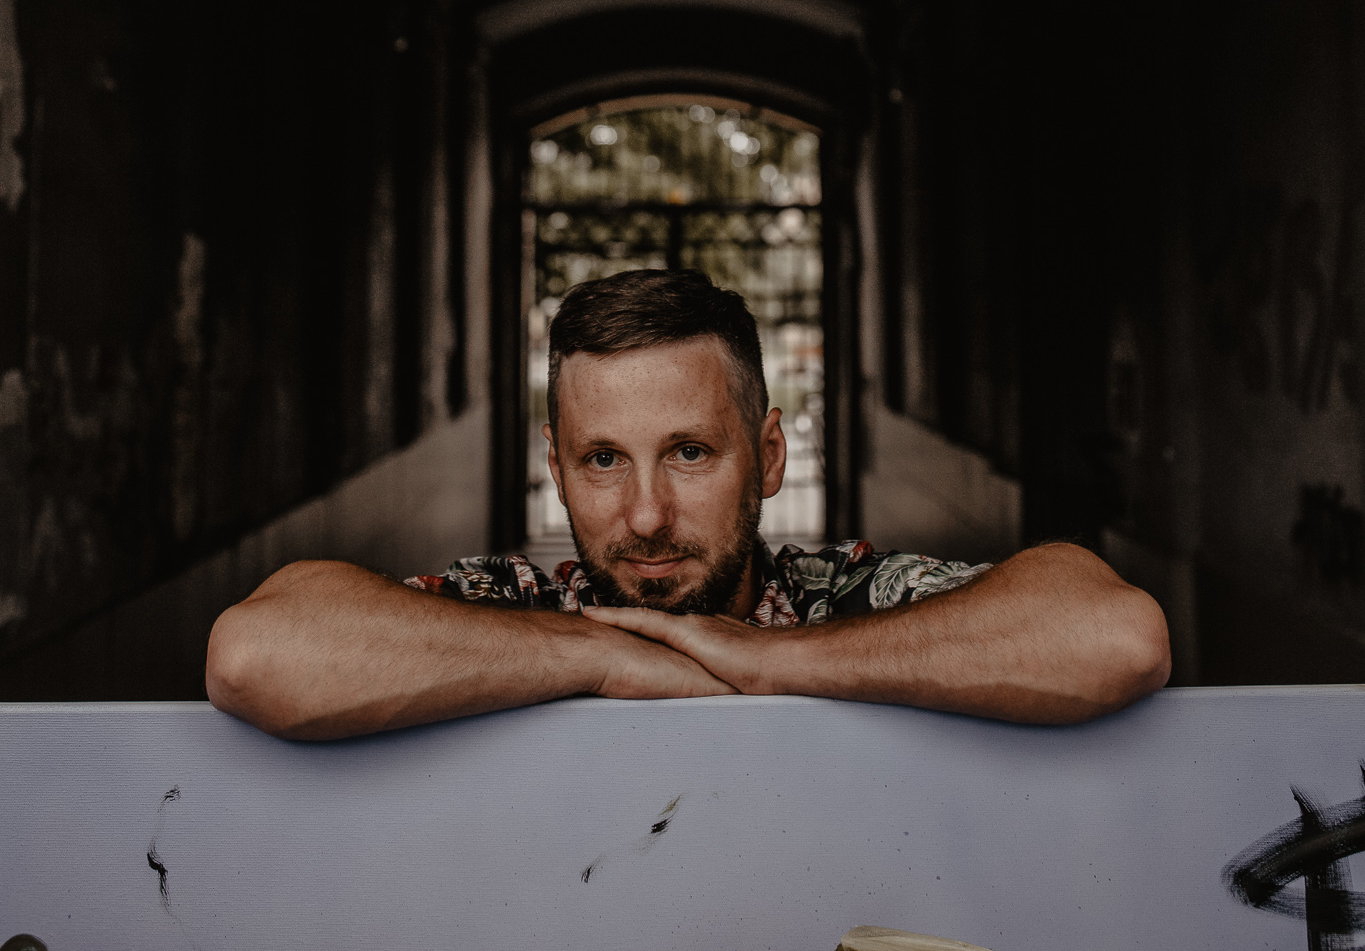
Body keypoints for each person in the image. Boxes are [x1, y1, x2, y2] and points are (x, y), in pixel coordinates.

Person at [206, 269, 1170, 741]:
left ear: (768, 456)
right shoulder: (512, 606)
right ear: (555, 469)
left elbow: (1112, 637)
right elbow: (257, 655)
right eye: (602, 460)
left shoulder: (848, 598)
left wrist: (769, 659)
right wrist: (601, 657)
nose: (645, 516)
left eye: (690, 453)